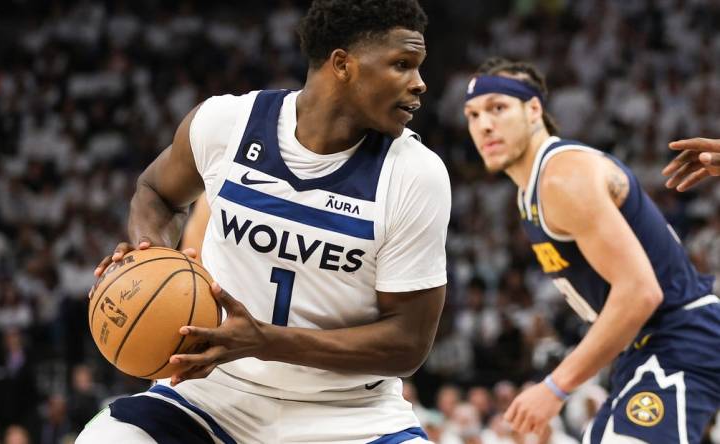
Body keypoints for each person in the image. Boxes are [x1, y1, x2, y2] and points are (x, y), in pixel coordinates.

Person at [77, 0, 451, 442]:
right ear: (342, 65)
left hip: (350, 415)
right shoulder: (227, 123)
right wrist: (149, 254)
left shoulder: (415, 173)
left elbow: (406, 344)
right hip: (211, 394)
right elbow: (156, 192)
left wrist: (265, 340)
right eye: (402, 65)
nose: (420, 83)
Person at [462, 57, 720, 443]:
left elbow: (640, 293)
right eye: (472, 114)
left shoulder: (563, 178)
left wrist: (555, 386)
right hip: (649, 347)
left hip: (681, 339)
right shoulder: (529, 192)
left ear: (534, 109)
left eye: (498, 108)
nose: (483, 124)